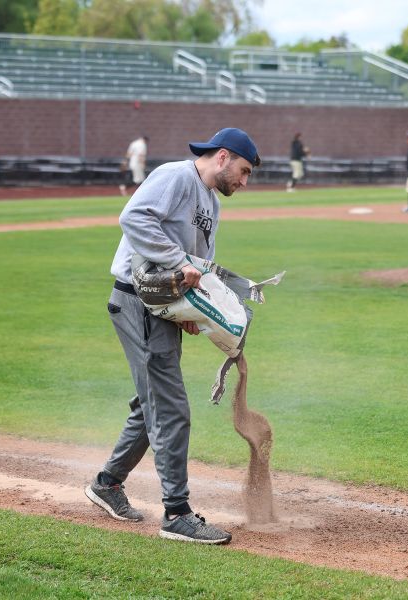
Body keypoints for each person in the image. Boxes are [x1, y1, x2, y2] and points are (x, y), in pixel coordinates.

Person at [86, 127, 260, 545]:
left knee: (152, 403)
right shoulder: (176, 176)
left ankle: (108, 483)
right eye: (244, 170)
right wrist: (178, 263)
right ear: (222, 157)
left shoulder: (212, 203)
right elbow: (133, 218)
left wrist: (189, 307)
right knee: (171, 407)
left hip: (162, 307)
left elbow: (198, 266)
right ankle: (177, 513)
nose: (244, 181)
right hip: (136, 302)